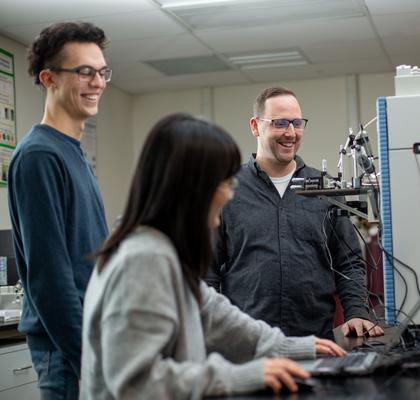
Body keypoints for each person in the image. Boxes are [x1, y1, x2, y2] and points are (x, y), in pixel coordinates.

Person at [80, 113, 345, 399]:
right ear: (192, 188)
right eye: (225, 183)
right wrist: (242, 375)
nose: (230, 194)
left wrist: (286, 347)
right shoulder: (143, 259)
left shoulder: (164, 250)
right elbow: (137, 384)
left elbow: (212, 313)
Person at [207, 87, 384, 340]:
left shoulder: (326, 190)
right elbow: (207, 271)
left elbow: (349, 261)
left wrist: (357, 312)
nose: (290, 133)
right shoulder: (228, 190)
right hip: (248, 344)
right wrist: (211, 327)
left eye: (297, 123)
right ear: (256, 126)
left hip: (316, 341)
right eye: (279, 123)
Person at [7, 22, 110, 399]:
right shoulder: (39, 156)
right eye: (84, 71)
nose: (97, 82)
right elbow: (49, 279)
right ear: (49, 78)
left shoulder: (72, 152)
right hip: (68, 354)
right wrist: (89, 360)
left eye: (101, 72)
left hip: (89, 341)